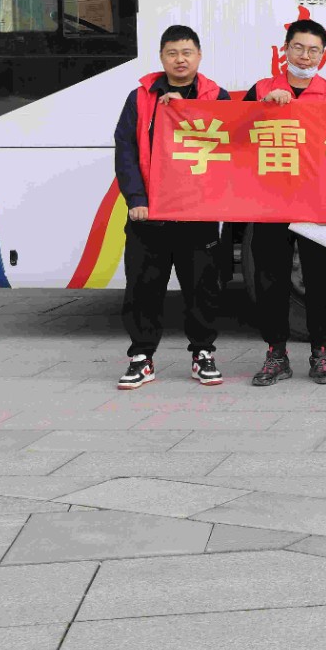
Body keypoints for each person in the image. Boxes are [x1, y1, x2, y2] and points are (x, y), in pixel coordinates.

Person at [110, 24, 229, 389]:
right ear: (161, 57)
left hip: (197, 213)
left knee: (202, 288)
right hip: (151, 215)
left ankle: (203, 353)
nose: (180, 60)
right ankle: (141, 357)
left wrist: (187, 111)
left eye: (187, 52)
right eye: (172, 53)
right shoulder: (141, 97)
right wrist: (136, 199)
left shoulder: (216, 97)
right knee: (143, 288)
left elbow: (233, 144)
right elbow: (126, 150)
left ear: (199, 56)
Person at [245, 18, 326, 388]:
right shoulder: (261, 89)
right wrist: (262, 109)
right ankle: (276, 354)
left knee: (321, 280)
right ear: (285, 48)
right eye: (299, 47)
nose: (305, 56)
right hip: (269, 202)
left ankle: (320, 352)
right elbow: (235, 135)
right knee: (270, 279)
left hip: (317, 205)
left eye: (313, 50)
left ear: (324, 53)